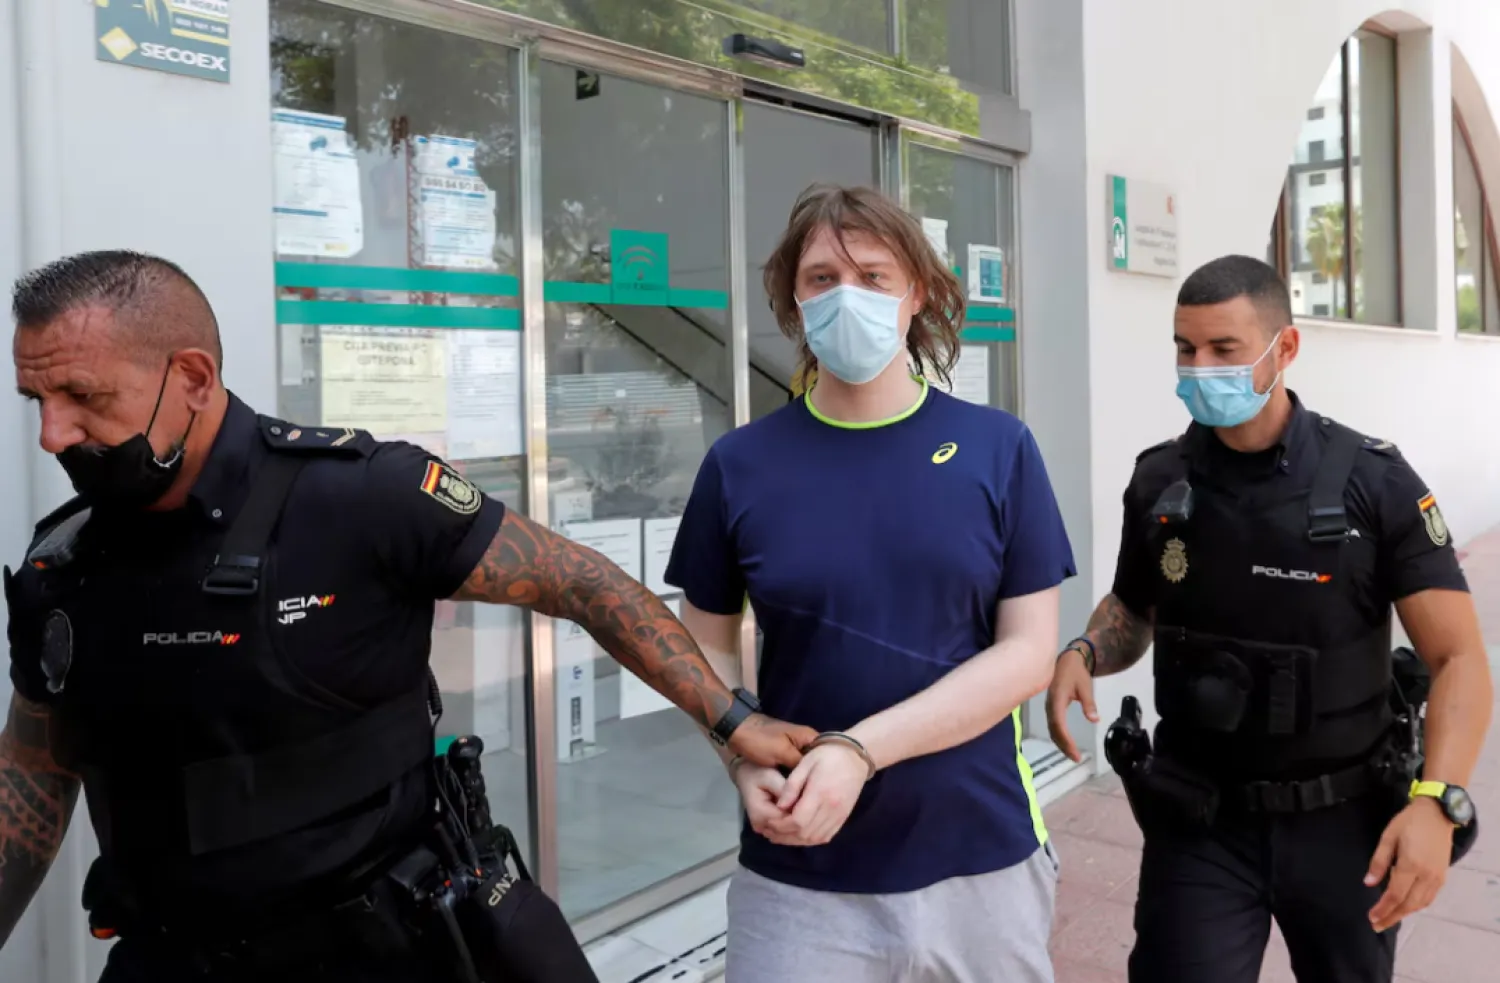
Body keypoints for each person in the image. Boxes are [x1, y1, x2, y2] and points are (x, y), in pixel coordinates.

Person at [0, 249, 818, 982]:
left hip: (382, 950)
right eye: (36, 398)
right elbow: (35, 770)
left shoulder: (359, 497)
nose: (51, 435)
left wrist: (730, 717)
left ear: (193, 377)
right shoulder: (61, 565)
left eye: (82, 396)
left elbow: (585, 583)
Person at [664, 184, 1076, 983]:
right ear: (793, 294)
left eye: (874, 276)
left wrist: (859, 750)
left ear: (915, 292)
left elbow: (1028, 654)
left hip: (980, 857)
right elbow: (700, 647)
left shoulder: (998, 448)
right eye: (822, 277)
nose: (845, 295)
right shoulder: (740, 465)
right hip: (800, 873)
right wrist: (743, 758)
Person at [1046, 254, 1494, 983]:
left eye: (1224, 349)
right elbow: (1134, 606)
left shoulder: (1371, 482)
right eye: (1185, 349)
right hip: (1199, 821)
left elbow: (1460, 659)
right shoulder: (1161, 480)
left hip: (1346, 823)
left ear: (1284, 348)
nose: (1199, 368)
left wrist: (1438, 801)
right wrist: (1085, 650)